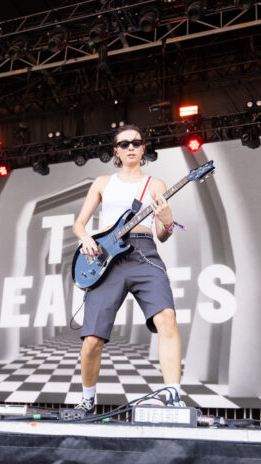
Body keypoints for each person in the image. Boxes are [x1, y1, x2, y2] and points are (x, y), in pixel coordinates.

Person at [71, 124, 183, 414]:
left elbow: (163, 234)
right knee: (92, 339)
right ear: (116, 151)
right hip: (106, 255)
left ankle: (173, 393)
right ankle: (87, 399)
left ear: (144, 148)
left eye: (136, 142)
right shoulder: (102, 182)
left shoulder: (155, 184)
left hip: (143, 252)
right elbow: (79, 224)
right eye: (124, 144)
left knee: (167, 317)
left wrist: (167, 220)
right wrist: (86, 240)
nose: (130, 147)